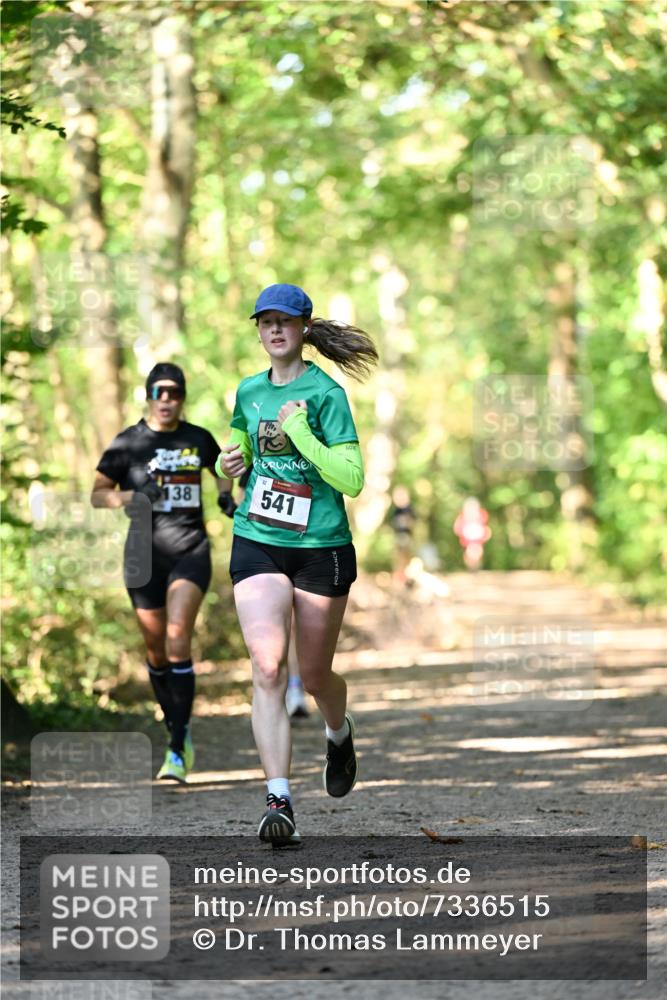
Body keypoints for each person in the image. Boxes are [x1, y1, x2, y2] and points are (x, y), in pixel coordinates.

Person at [217, 283, 378, 845]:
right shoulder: (249, 390)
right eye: (265, 322)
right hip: (258, 537)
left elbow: (351, 480)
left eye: (286, 321)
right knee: (266, 666)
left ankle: (339, 730)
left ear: (305, 328)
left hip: (321, 546)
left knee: (313, 677)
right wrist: (226, 461)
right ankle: (278, 799)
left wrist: (303, 433)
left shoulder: (326, 393)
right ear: (259, 330)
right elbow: (237, 448)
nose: (275, 330)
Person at [91, 363, 235, 783]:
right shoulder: (128, 443)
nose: (167, 400)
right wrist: (134, 496)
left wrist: (226, 498)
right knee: (155, 650)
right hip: (142, 557)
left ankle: (176, 747)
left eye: (175, 392)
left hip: (190, 550)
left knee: (177, 639)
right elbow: (98, 494)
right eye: (160, 392)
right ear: (149, 395)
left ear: (182, 397)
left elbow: (224, 472)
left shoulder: (198, 439)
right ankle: (177, 727)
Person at [238, 468, 309, 720]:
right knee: (275, 627)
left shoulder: (309, 453)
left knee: (294, 626)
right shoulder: (256, 458)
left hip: (306, 551)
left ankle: (295, 686)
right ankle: (282, 689)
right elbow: (240, 500)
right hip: (264, 554)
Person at [453, 496, 491, 571]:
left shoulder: (481, 515)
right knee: (470, 553)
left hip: (478, 541)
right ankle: (471, 567)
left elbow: (486, 527)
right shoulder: (462, 517)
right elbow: (457, 528)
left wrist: (486, 533)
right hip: (468, 541)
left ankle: (476, 567)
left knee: (477, 551)